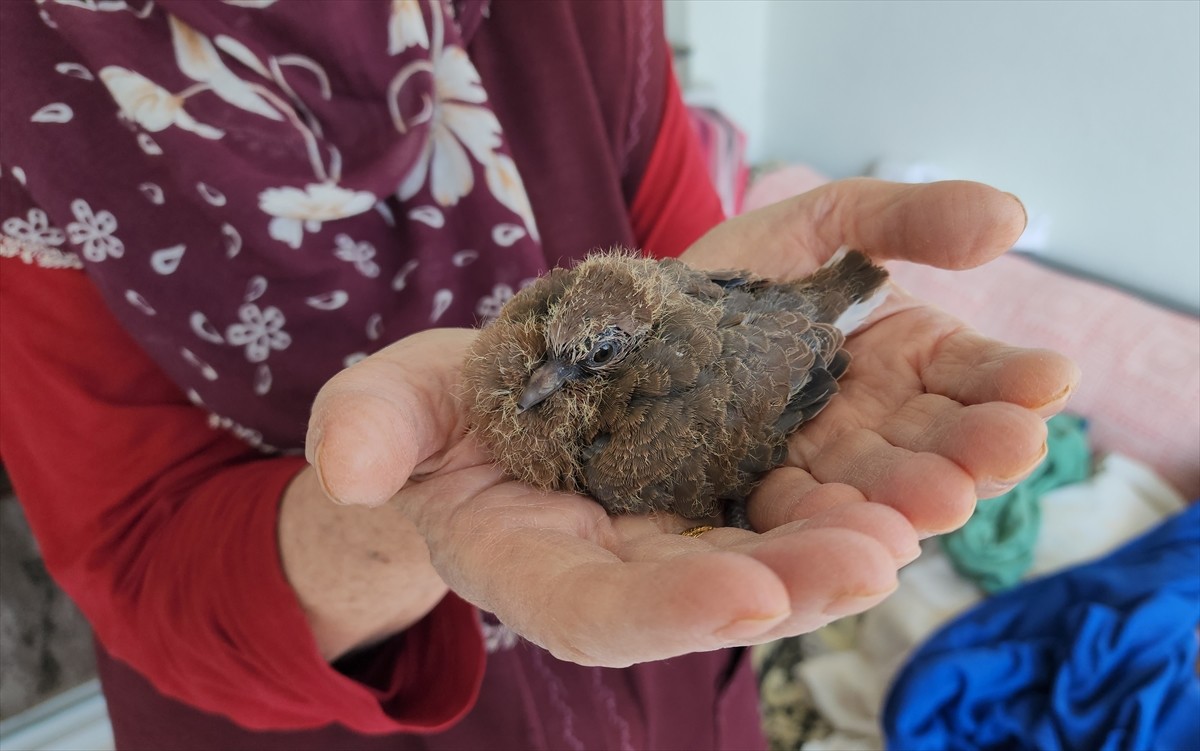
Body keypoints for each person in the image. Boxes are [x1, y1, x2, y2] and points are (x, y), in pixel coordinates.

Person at [0, 1, 1078, 749]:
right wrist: (403, 508)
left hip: (666, 689)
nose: (550, 379)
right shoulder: (27, 98)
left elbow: (674, 261)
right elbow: (136, 551)